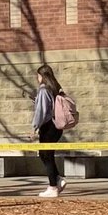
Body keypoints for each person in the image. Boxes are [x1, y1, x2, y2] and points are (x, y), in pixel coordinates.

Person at [32, 64, 66, 198]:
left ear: (42, 76)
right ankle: (57, 180)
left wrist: (34, 127)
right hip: (57, 127)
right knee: (47, 154)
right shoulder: (55, 88)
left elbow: (41, 111)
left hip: (48, 127)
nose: (37, 78)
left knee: (45, 155)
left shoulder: (43, 90)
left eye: (38, 75)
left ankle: (53, 186)